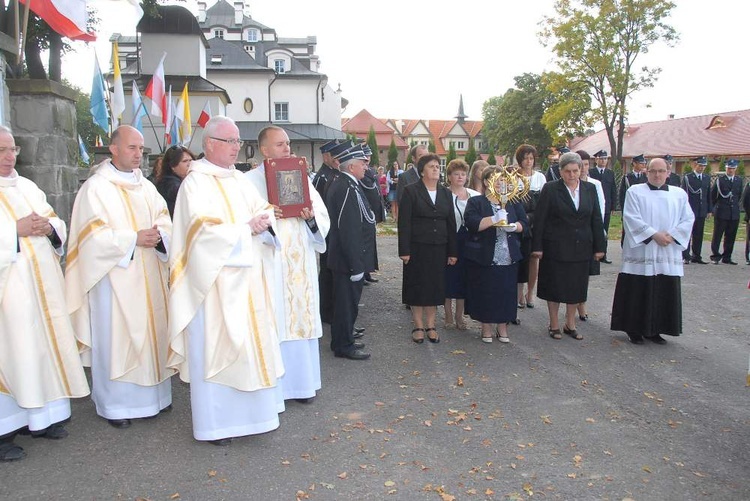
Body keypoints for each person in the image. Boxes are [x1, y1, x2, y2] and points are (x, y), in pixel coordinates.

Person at [167, 116, 284, 445]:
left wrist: (264, 220)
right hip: (214, 286)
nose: (236, 147)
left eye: (237, 142)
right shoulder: (195, 183)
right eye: (229, 141)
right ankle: (216, 425)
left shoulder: (240, 180)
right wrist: (245, 229)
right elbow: (199, 234)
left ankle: (255, 417)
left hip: (248, 281)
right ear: (209, 144)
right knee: (218, 351)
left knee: (251, 348)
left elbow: (265, 209)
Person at [65, 125, 173, 429]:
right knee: (117, 338)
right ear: (113, 149)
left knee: (152, 333)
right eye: (132, 148)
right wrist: (132, 239)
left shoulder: (147, 187)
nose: (139, 154)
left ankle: (157, 398)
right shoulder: (96, 188)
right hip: (114, 279)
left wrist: (160, 236)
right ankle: (117, 406)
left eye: (141, 149)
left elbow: (165, 220)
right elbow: (89, 238)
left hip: (149, 273)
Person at [0, 125, 90, 462]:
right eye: (2, 151)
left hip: (42, 287)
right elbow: (15, 230)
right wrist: (14, 231)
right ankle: (5, 430)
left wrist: (50, 228)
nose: (10, 157)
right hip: (9, 292)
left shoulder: (27, 186)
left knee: (44, 349)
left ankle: (44, 419)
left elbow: (55, 221)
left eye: (13, 150)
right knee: (16, 354)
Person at [246, 126, 330, 402]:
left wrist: (309, 218)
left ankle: (302, 386)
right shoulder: (248, 182)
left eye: (288, 143)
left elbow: (320, 214)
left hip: (300, 264)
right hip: (270, 264)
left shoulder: (301, 177)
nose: (287, 148)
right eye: (280, 144)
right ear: (264, 149)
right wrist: (269, 216)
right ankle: (275, 389)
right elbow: (243, 221)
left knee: (300, 319)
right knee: (274, 321)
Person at [611, 158, 695, 345]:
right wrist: (653, 235)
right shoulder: (635, 192)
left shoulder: (679, 194)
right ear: (646, 172)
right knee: (638, 289)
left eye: (661, 171)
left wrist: (672, 236)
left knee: (662, 289)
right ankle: (634, 329)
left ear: (668, 172)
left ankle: (656, 329)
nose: (657, 175)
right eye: (653, 171)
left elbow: (688, 218)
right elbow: (630, 217)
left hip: (668, 250)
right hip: (643, 250)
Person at [532, 151, 606, 341]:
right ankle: (554, 323)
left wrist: (600, 247)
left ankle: (570, 323)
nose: (572, 175)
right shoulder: (550, 189)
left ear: (581, 169)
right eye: (567, 171)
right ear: (560, 171)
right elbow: (540, 219)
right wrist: (537, 247)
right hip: (555, 246)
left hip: (582, 246)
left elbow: (596, 218)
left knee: (576, 287)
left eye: (575, 170)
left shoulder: (589, 189)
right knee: (554, 285)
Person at [398, 153, 458, 343]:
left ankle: (431, 325)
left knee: (434, 286)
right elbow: (404, 222)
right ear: (422, 171)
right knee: (417, 285)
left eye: (437, 166)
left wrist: (452, 251)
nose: (435, 169)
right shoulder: (411, 191)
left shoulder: (446, 193)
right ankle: (417, 325)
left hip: (439, 247)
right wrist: (404, 250)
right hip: (417, 247)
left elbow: (451, 223)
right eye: (431, 166)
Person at [464, 167, 528, 343]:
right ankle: (486, 327)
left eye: (503, 179)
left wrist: (514, 227)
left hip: (508, 256)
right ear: (486, 182)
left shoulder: (512, 202)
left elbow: (525, 223)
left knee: (506, 292)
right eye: (496, 179)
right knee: (487, 291)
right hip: (486, 256)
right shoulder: (477, 202)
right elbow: (472, 223)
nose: (501, 183)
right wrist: (493, 220)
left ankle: (503, 327)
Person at [325, 144, 376, 360]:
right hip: (347, 261)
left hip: (348, 259)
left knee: (347, 305)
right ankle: (343, 345)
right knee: (346, 306)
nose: (366, 166)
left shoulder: (349, 184)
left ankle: (344, 339)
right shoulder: (346, 187)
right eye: (362, 163)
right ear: (352, 166)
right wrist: (356, 264)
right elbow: (348, 229)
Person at [443, 159, 480, 330]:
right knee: (448, 279)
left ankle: (459, 314)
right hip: (450, 240)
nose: (460, 177)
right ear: (449, 176)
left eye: (463, 174)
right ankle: (448, 314)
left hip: (469, 241)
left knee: (464, 279)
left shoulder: (475, 195)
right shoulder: (443, 194)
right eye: (456, 174)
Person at [514, 144, 546, 309]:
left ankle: (530, 292)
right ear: (520, 160)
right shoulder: (513, 177)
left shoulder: (540, 177)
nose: (528, 161)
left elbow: (544, 202)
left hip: (536, 222)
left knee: (534, 258)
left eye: (531, 158)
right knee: (520, 258)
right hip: (520, 222)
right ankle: (518, 293)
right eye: (525, 158)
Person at [575, 150, 606, 322]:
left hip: (589, 233)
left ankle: (582, 304)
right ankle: (574, 304)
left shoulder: (595, 185)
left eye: (586, 164)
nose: (584, 168)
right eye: (581, 164)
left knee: (585, 273)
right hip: (572, 235)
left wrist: (599, 236)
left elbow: (600, 210)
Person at [710, 159, 744, 265]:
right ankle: (715, 256)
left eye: (733, 168)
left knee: (731, 236)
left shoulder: (738, 180)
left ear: (735, 169)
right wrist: (712, 210)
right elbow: (713, 195)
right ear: (726, 169)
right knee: (717, 235)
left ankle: (727, 257)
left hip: (733, 213)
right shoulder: (720, 180)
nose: (731, 170)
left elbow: (739, 196)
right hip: (721, 212)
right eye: (729, 168)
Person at [359, 144, 384, 284]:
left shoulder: (371, 170)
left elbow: (377, 191)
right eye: (365, 157)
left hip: (372, 213)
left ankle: (368, 271)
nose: (367, 159)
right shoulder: (362, 172)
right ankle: (362, 273)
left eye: (368, 156)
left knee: (370, 244)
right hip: (365, 213)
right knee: (364, 244)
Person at [681, 156, 712, 264]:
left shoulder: (707, 178)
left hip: (701, 210)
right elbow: (684, 194)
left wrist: (709, 210)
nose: (702, 168)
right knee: (688, 234)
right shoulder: (688, 178)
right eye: (700, 165)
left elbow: (708, 195)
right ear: (695, 165)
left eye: (704, 166)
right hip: (690, 209)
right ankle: (686, 255)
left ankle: (697, 256)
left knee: (699, 234)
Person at [588, 150, 617, 263]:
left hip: (607, 207)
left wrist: (613, 206)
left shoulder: (610, 173)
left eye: (605, 159)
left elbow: (613, 190)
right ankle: (593, 254)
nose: (603, 161)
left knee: (604, 231)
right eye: (601, 158)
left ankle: (603, 255)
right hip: (594, 205)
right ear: (596, 160)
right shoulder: (591, 172)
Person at [153, 145, 196, 217]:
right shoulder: (171, 185)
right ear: (173, 166)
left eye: (191, 160)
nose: (190, 164)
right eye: (185, 161)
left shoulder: (185, 181)